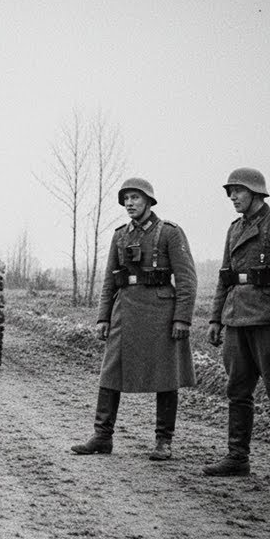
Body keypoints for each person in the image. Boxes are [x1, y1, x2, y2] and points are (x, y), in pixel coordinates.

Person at [72, 177, 197, 460]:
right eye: (126, 198)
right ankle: (102, 437)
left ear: (149, 201)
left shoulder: (169, 233)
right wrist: (103, 317)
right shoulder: (120, 234)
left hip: (161, 314)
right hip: (125, 312)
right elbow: (109, 281)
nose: (129, 203)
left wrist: (182, 319)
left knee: (166, 376)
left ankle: (163, 442)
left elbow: (187, 279)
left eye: (135, 198)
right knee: (110, 371)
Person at [204, 168, 270, 485]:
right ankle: (237, 457)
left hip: (267, 319)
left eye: (238, 191)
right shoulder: (235, 228)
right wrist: (216, 318)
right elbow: (225, 277)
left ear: (256, 193)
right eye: (230, 192)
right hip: (236, 319)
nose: (232, 197)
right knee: (237, 390)